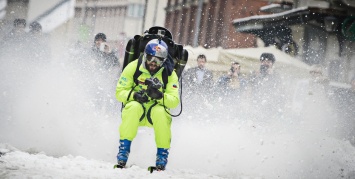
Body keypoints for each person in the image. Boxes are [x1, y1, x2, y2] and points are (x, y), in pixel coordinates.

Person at [115, 39, 180, 170]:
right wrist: (134, 95)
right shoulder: (133, 67)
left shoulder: (169, 74)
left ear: (163, 61)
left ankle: (161, 157)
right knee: (133, 107)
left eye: (158, 60)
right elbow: (119, 92)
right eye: (150, 58)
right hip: (137, 109)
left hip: (154, 110)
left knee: (161, 113)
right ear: (145, 56)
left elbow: (174, 101)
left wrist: (160, 96)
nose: (153, 63)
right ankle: (123, 152)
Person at [249, 52, 286, 120]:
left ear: (272, 64)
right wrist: (256, 76)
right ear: (261, 62)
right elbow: (250, 86)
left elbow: (279, 89)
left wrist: (272, 76)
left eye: (268, 62)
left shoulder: (276, 75)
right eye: (264, 62)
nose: (266, 64)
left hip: (270, 105)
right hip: (256, 103)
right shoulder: (255, 73)